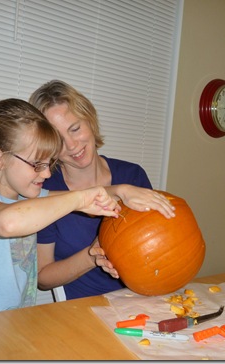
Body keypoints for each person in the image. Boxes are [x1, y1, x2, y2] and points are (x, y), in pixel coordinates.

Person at [0, 98, 121, 318]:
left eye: (49, 164)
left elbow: (68, 198)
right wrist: (80, 200)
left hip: (16, 326)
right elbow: (7, 222)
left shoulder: (28, 197)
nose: (47, 174)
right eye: (37, 165)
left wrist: (124, 191)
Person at [29, 80, 176, 300]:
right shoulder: (47, 191)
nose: (71, 145)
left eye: (75, 129)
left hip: (141, 299)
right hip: (82, 309)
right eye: (58, 139)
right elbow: (43, 277)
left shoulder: (132, 175)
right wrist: (92, 256)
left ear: (90, 121)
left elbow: (156, 249)